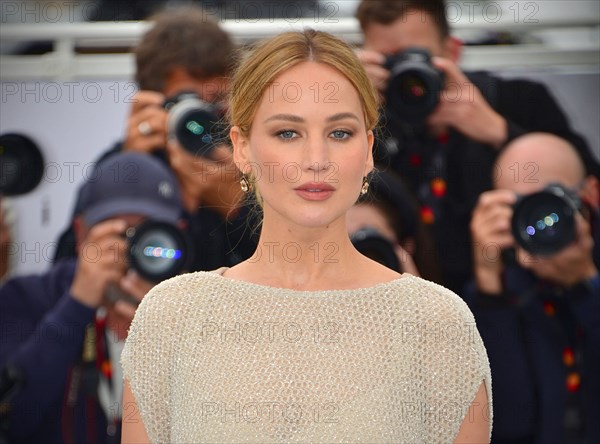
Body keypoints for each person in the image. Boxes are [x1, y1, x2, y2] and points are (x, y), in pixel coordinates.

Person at [120, 29, 492, 443]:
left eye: (339, 133)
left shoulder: (436, 323)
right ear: (242, 147)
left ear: (368, 149)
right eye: (287, 133)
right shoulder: (171, 318)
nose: (316, 161)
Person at [355, 0, 600, 293]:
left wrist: (498, 130)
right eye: (387, 62)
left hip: (515, 299)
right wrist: (354, 101)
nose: (405, 76)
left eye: (415, 58)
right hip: (400, 298)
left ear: (453, 52)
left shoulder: (519, 100)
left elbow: (585, 190)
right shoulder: (360, 120)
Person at [0, 152, 186, 443]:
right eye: (119, 232)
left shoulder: (197, 307)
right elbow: (10, 417)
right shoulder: (25, 298)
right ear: (81, 232)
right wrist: (76, 305)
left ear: (178, 235)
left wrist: (164, 332)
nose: (130, 250)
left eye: (147, 234)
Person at [53, 6, 253, 270]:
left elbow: (293, 264)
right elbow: (67, 271)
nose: (200, 120)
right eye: (188, 102)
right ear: (150, 101)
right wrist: (129, 168)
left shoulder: (249, 161)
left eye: (216, 102)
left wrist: (238, 206)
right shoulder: (121, 163)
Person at [466, 133, 599, 443]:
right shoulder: (501, 287)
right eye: (519, 205)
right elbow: (508, 422)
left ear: (591, 193)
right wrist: (489, 284)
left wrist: (586, 284)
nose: (541, 219)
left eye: (551, 197)